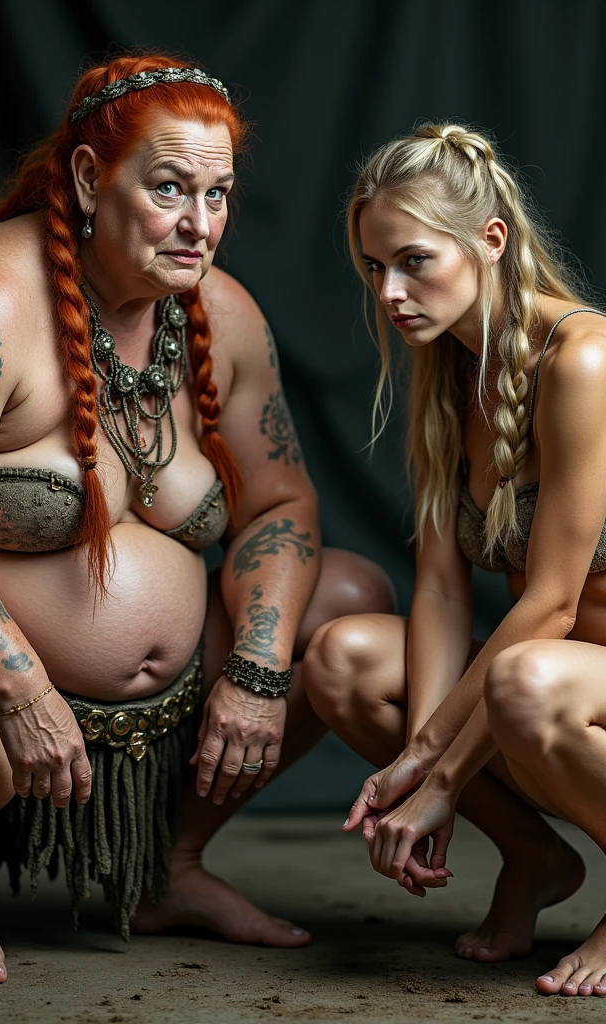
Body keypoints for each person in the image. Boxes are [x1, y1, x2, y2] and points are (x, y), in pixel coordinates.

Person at [0, 53, 396, 984]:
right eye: (170, 187)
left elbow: (281, 503)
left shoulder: (222, 315)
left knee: (347, 595)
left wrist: (257, 668)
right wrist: (19, 687)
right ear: (93, 179)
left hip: (168, 701)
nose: (199, 224)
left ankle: (167, 869)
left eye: (218, 195)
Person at [303, 122, 606, 998]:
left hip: (560, 683)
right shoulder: (446, 369)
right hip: (546, 686)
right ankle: (534, 857)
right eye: (373, 267)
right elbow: (439, 589)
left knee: (527, 681)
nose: (390, 291)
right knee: (344, 661)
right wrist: (413, 767)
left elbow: (549, 604)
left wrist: (436, 771)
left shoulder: (582, 358)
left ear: (491, 242)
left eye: (413, 261)